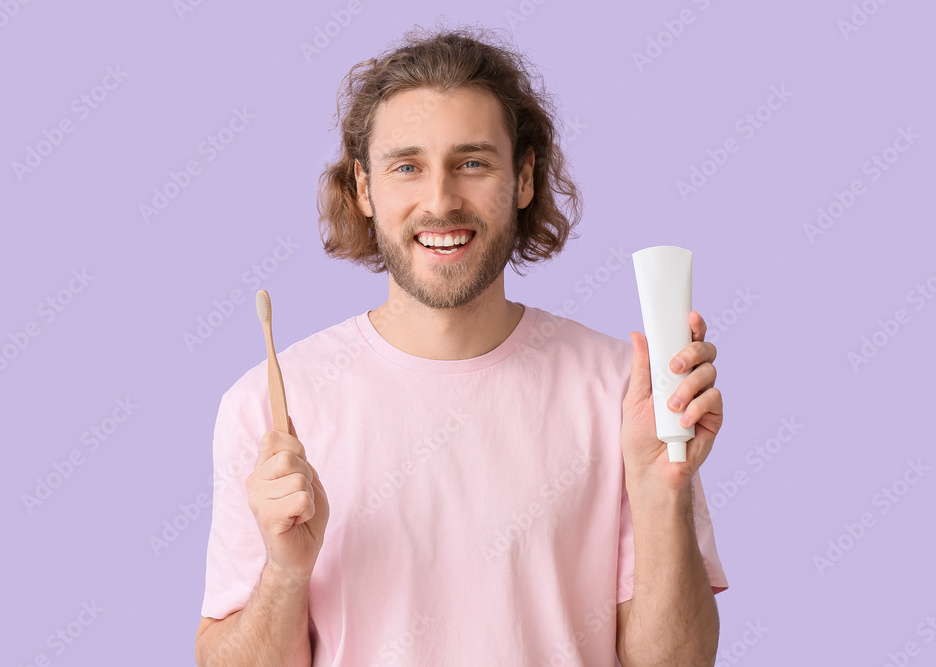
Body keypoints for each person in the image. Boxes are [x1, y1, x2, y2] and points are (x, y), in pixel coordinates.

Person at [195, 22, 728, 667]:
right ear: (364, 189)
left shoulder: (626, 396)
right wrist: (284, 571)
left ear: (524, 179)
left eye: (472, 163)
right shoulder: (269, 406)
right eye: (407, 167)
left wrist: (660, 488)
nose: (440, 200)